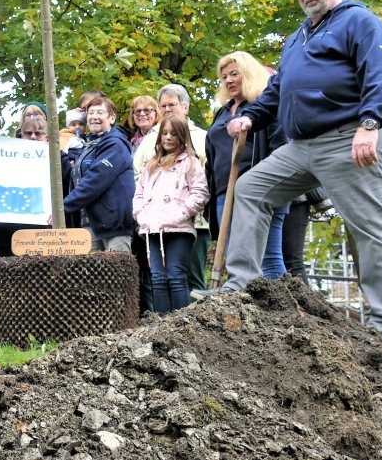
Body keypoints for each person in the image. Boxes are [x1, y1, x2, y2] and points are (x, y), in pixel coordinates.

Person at [223, 0, 382, 339]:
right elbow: (277, 90)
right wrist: (251, 117)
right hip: (303, 145)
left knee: (370, 227)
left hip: (351, 136)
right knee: (251, 188)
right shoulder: (297, 38)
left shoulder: (359, 21)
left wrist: (370, 124)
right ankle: (238, 289)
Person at [205, 53, 290, 280]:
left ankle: (282, 311)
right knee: (235, 257)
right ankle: (245, 311)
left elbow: (281, 147)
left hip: (260, 190)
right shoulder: (222, 113)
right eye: (224, 77)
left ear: (249, 73)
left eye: (235, 74)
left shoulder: (264, 107)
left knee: (267, 258)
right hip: (225, 192)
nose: (229, 80)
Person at [132, 85, 212, 292]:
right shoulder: (150, 139)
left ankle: (195, 323)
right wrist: (142, 212)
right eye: (163, 106)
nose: (167, 109)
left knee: (188, 277)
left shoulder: (203, 137)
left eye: (172, 105)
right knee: (157, 279)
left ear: (185, 107)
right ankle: (162, 323)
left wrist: (184, 210)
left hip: (194, 221)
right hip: (154, 223)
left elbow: (206, 179)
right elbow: (137, 177)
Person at [63, 96, 134, 252]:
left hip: (114, 225)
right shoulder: (88, 146)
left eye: (100, 112)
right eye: (91, 113)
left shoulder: (115, 144)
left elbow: (95, 179)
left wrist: (64, 206)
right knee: (90, 276)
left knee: (117, 275)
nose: (94, 117)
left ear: (112, 118)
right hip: (89, 225)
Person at [0, 113, 50, 258]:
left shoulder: (58, 161)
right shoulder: (4, 160)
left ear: (47, 138)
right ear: (21, 136)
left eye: (38, 133)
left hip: (41, 234)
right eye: (29, 133)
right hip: (7, 235)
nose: (33, 137)